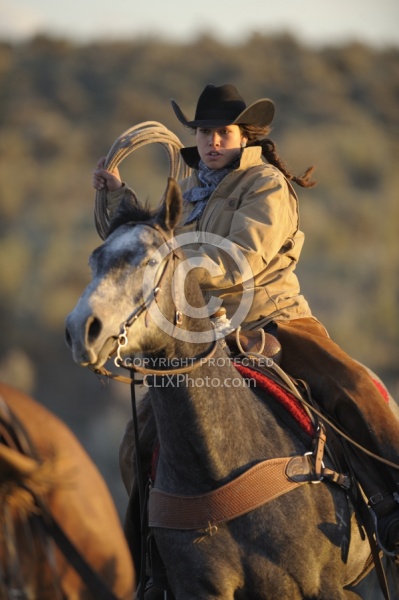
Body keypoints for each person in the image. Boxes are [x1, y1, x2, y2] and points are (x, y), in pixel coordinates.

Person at [93, 84, 399, 561]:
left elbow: (240, 260)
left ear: (245, 135)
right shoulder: (190, 190)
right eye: (204, 132)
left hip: (276, 323)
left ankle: (391, 503)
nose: (212, 141)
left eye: (223, 132)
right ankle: (147, 557)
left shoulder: (266, 186)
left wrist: (179, 279)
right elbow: (153, 244)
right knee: (141, 436)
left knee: (354, 388)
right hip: (207, 336)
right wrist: (118, 198)